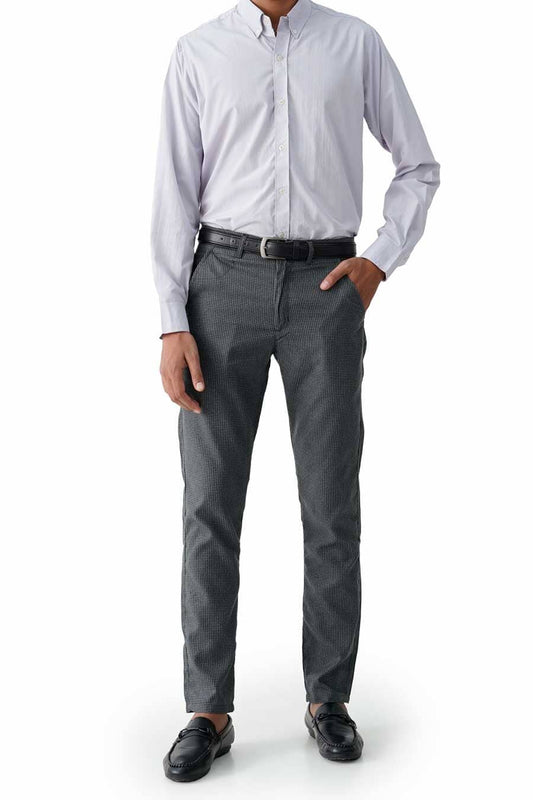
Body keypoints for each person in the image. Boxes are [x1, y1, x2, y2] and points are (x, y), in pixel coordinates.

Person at [151, 0, 439, 782]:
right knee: (209, 504)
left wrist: (379, 260)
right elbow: (174, 189)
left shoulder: (354, 43)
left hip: (326, 288)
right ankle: (207, 710)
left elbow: (418, 165)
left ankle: (328, 698)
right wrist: (171, 321)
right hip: (221, 287)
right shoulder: (198, 53)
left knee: (330, 502)